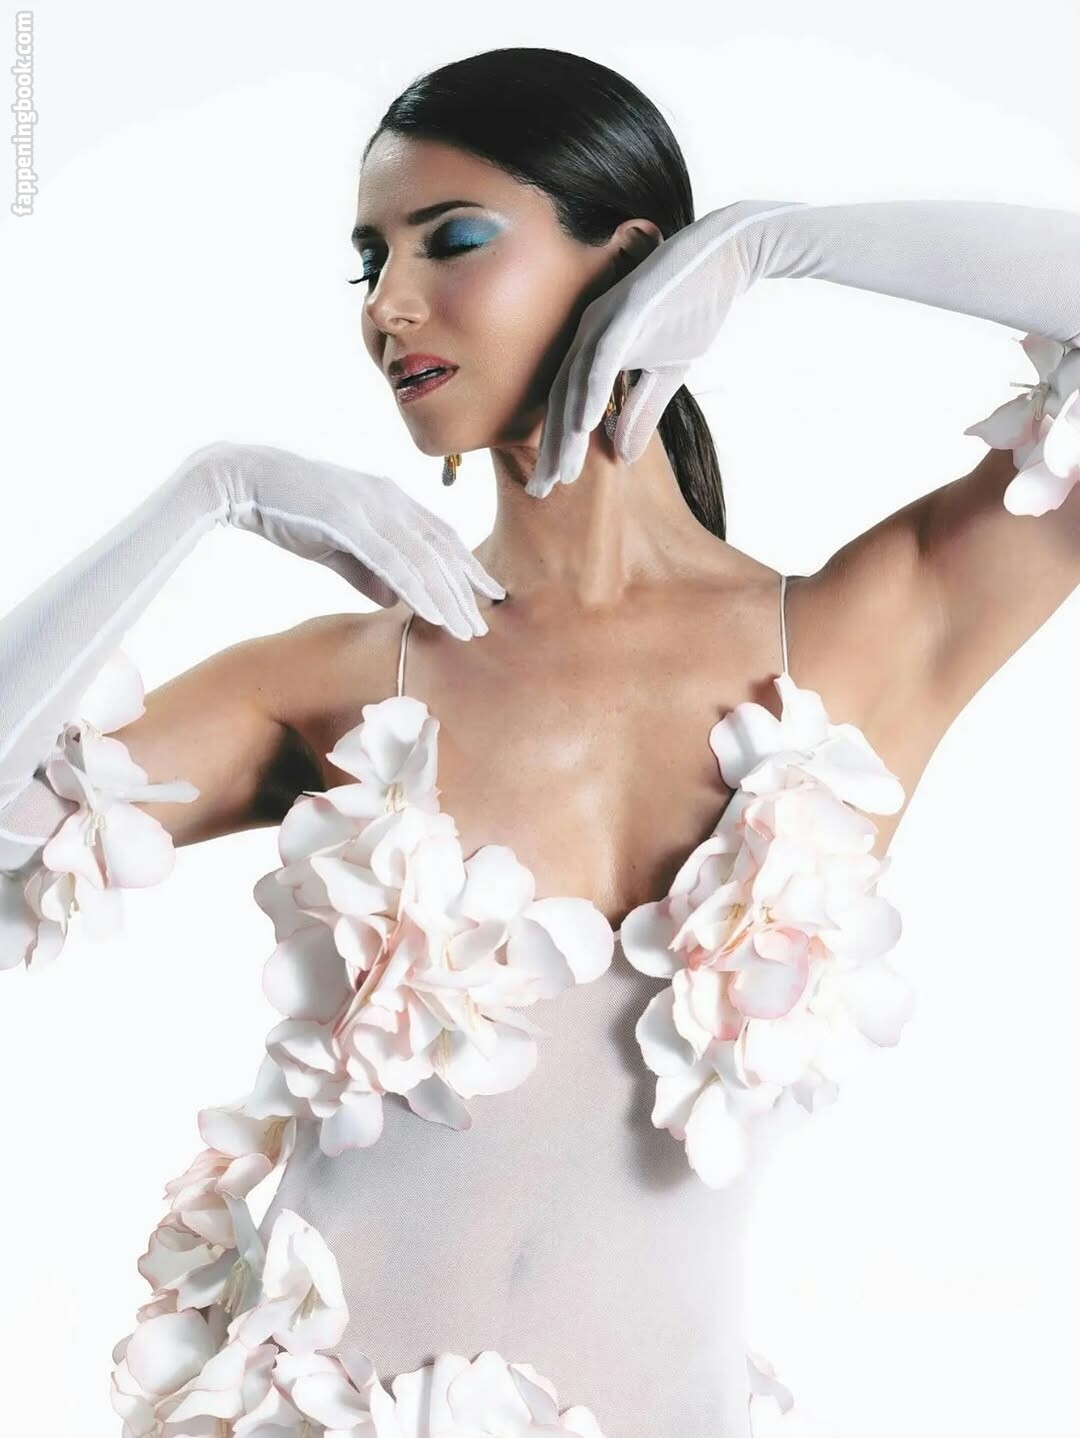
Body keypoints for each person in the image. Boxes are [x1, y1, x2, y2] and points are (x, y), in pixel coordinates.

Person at [2, 44, 1079, 1438]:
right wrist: (204, 494)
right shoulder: (338, 682)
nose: (389, 305)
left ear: (627, 262)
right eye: (369, 262)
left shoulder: (862, 637)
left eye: (450, 240)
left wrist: (772, 242)